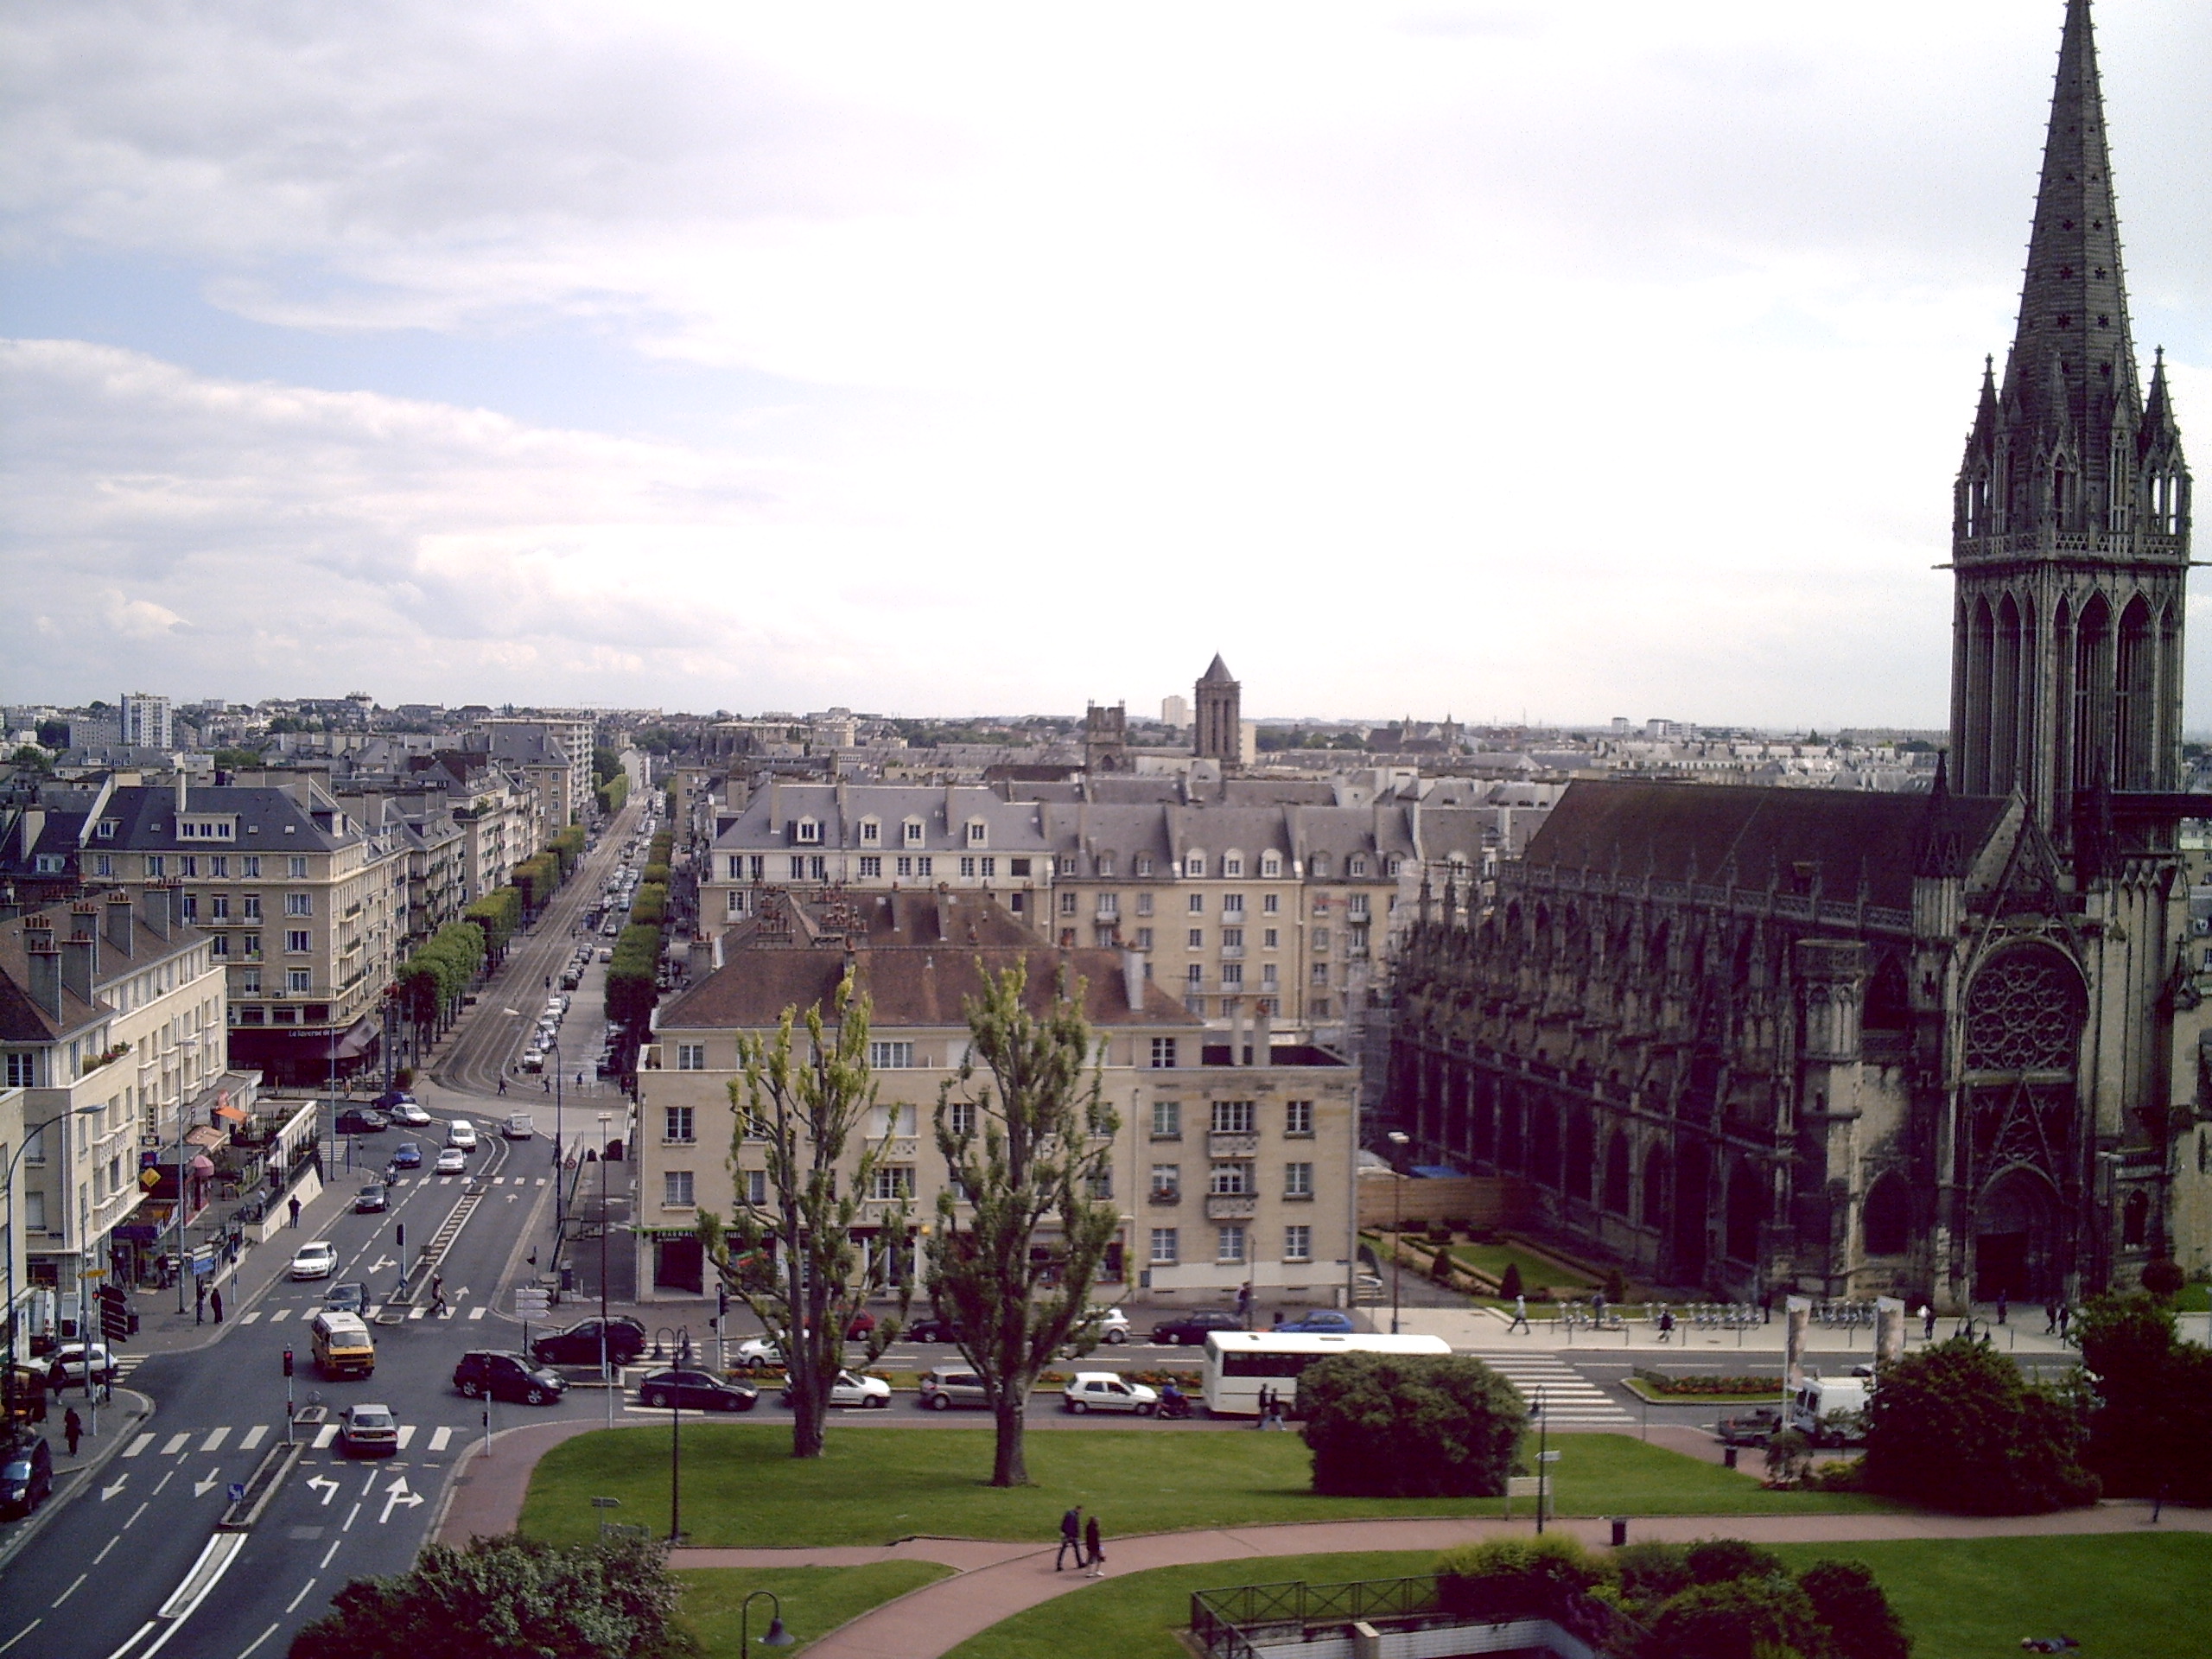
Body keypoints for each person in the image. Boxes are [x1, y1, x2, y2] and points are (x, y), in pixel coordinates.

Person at [1056, 1505, 1084, 1571]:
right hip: (1071, 1536)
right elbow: (1071, 1526)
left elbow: (1064, 1523)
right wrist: (1072, 1535)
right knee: (1075, 1549)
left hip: (1067, 1534)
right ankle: (1079, 1563)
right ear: (1078, 1509)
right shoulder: (1073, 1516)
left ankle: (1059, 1565)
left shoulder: (1069, 1514)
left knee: (1063, 1550)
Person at [1084, 1513, 1105, 1578]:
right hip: (1095, 1546)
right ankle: (1096, 1571)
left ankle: (1089, 1572)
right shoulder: (1095, 1529)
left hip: (1090, 1545)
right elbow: (1096, 1539)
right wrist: (1099, 1548)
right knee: (1098, 1558)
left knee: (1091, 1559)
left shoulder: (1088, 1527)